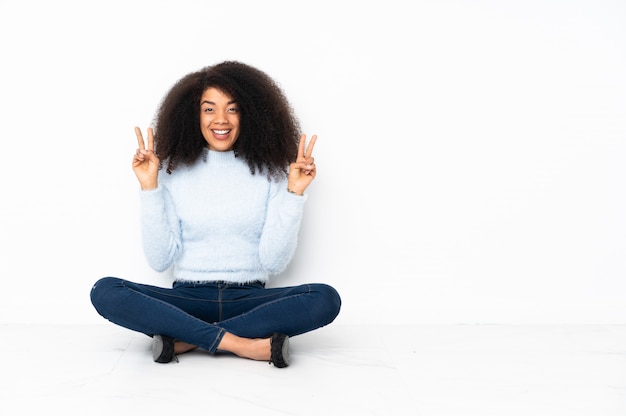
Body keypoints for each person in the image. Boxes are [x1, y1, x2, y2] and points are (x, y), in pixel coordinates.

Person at [90, 61, 341, 368]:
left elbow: (274, 261)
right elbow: (159, 261)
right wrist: (150, 187)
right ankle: (242, 345)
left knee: (325, 298)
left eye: (232, 109)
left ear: (249, 113)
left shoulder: (274, 174)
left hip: (249, 300)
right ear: (192, 115)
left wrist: (294, 194)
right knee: (105, 291)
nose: (220, 119)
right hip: (187, 300)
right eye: (209, 109)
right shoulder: (170, 172)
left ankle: (185, 340)